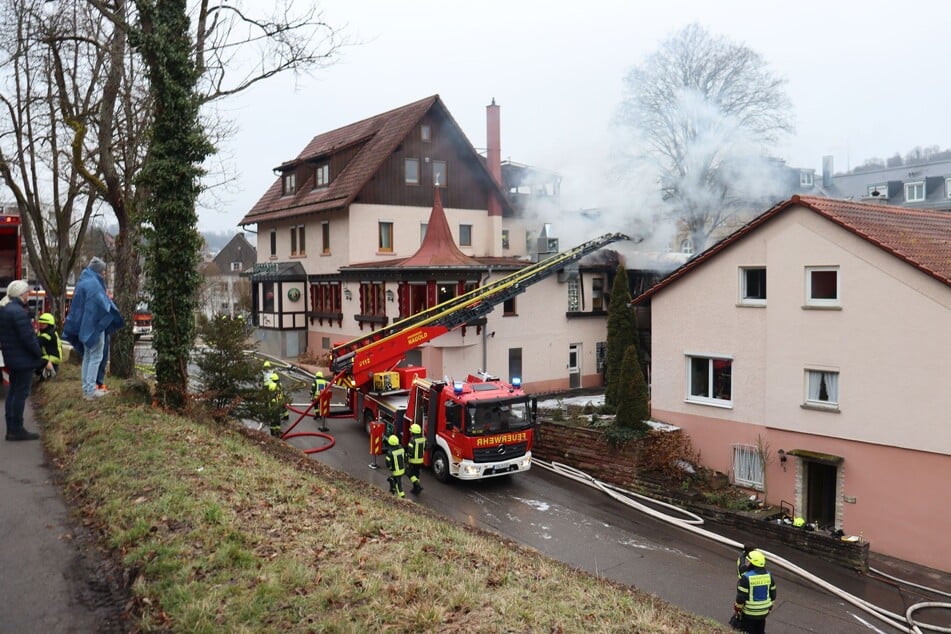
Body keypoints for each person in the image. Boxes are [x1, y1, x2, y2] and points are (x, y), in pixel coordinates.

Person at [61, 257, 124, 401]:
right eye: (103, 272)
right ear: (98, 271)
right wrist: (113, 313)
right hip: (94, 326)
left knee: (88, 357)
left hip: (84, 327)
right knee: (96, 356)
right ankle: (90, 390)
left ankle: (86, 388)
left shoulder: (83, 282)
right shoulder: (94, 285)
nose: (104, 275)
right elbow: (102, 305)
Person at [0, 280, 44, 440]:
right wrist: (38, 353)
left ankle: (11, 428)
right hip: (23, 359)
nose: (29, 294)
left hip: (12, 357)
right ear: (20, 294)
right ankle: (16, 429)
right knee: (20, 393)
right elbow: (28, 338)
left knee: (13, 392)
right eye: (27, 292)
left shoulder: (6, 309)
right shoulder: (18, 312)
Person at [734, 549, 776, 634]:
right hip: (764, 611)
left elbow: (741, 598)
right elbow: (773, 594)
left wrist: (737, 608)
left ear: (753, 563)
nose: (746, 563)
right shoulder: (769, 575)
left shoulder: (746, 578)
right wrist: (770, 607)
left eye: (748, 561)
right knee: (760, 630)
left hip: (749, 612)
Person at [35, 312, 63, 381]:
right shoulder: (50, 332)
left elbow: (35, 343)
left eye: (43, 324)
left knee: (32, 362)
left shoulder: (48, 335)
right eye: (40, 323)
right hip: (52, 358)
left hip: (50, 359)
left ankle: (48, 369)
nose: (41, 325)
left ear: (49, 324)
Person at [384, 434, 407, 498]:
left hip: (396, 471)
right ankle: (392, 489)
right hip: (402, 469)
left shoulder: (390, 452)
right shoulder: (401, 448)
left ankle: (402, 496)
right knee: (395, 479)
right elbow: (405, 458)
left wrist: (391, 468)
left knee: (398, 483)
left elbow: (388, 462)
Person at [406, 423, 426, 494]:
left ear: (414, 432)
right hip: (420, 461)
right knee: (416, 474)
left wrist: (406, 459)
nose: (410, 432)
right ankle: (415, 489)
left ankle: (417, 484)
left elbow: (410, 452)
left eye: (411, 431)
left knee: (409, 473)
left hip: (413, 461)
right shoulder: (423, 439)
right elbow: (425, 448)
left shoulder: (412, 440)